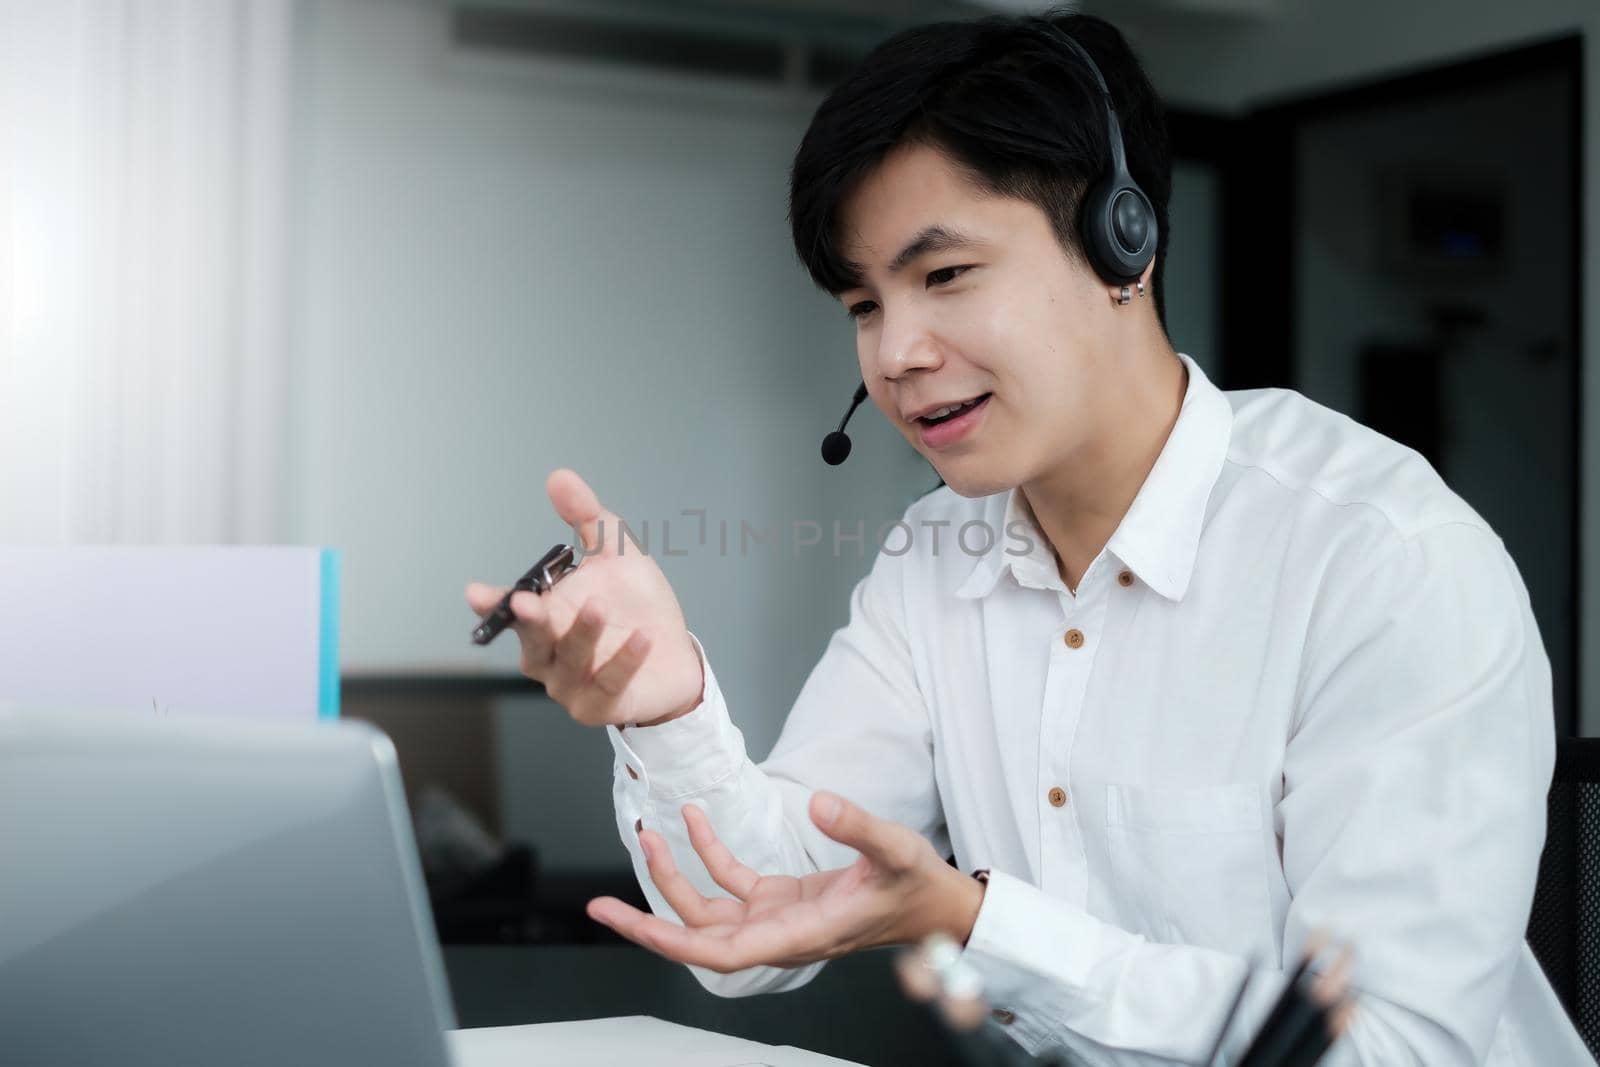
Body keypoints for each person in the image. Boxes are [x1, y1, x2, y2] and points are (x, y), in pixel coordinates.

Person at [465, 11, 1590, 1065]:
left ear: (1124, 243)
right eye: (863, 305)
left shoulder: (1384, 558)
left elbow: (1387, 1046)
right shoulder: (933, 555)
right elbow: (762, 904)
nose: (894, 351)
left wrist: (984, 922)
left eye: (944, 274)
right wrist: (664, 703)